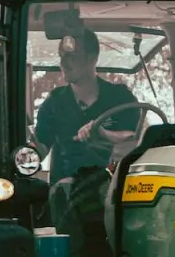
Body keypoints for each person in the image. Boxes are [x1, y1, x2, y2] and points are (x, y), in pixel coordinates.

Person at [33, 27, 139, 181]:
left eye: (71, 56)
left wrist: (103, 134)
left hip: (114, 184)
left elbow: (134, 139)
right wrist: (29, 151)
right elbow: (40, 147)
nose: (63, 63)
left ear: (92, 58)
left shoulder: (121, 97)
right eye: (61, 56)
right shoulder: (54, 102)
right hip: (67, 188)